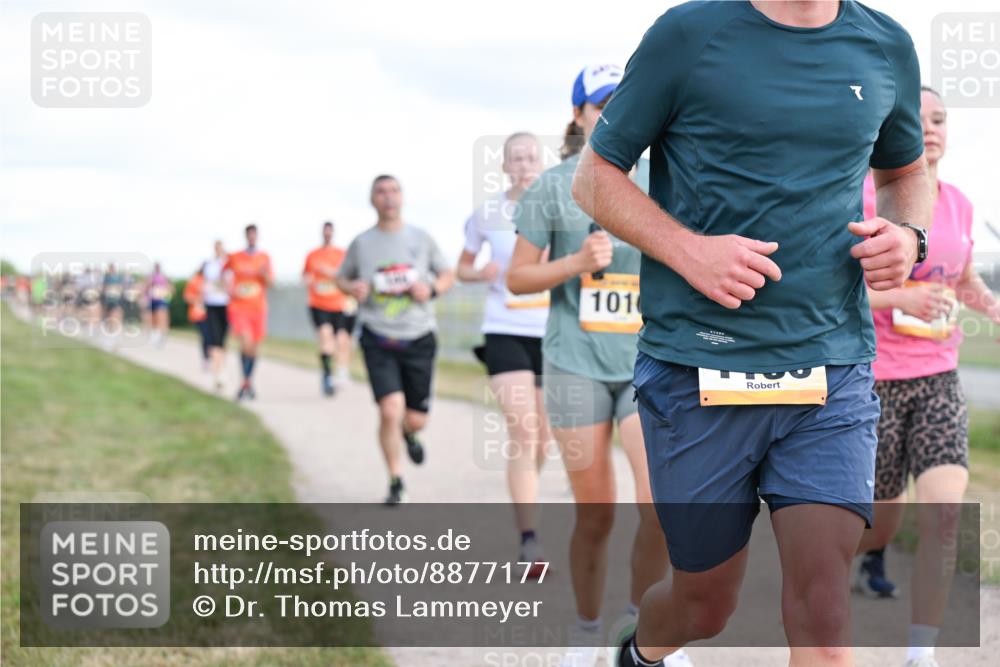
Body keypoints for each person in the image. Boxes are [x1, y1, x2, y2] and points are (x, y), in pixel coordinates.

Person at [572, 2, 932, 665]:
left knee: (825, 619)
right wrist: (687, 250)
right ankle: (640, 652)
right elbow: (593, 177)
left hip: (831, 369)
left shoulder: (885, 45)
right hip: (698, 370)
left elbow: (905, 171)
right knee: (702, 604)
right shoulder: (690, 34)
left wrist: (909, 234)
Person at [508, 65, 681, 667]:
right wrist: (575, 262)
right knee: (598, 513)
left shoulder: (669, 180)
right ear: (579, 115)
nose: (612, 114)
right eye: (600, 105)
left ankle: (643, 635)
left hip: (648, 366)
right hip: (575, 365)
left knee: (660, 505)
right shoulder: (554, 186)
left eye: (622, 102)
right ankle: (585, 632)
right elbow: (517, 277)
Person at [853, 86, 1000, 667]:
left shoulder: (960, 203)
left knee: (943, 511)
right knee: (878, 526)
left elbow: (962, 278)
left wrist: (989, 304)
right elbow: (836, 297)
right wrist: (903, 296)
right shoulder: (865, 196)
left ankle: (921, 653)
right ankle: (826, 567)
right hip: (873, 380)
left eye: (940, 119)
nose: (931, 128)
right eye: (918, 120)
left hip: (938, 378)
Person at [459, 131, 554, 575]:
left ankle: (525, 495)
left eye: (531, 156)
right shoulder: (487, 213)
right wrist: (480, 273)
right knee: (524, 431)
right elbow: (461, 266)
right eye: (516, 158)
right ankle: (528, 541)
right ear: (504, 165)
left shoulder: (560, 206)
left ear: (542, 161)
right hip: (504, 329)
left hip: (553, 334)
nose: (524, 164)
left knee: (545, 439)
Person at [337, 175, 455, 505]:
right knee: (390, 409)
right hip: (378, 334)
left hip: (418, 335)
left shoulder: (421, 238)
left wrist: (431, 289)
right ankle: (395, 479)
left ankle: (410, 433)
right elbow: (341, 277)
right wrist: (352, 288)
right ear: (372, 199)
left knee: (415, 418)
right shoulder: (362, 243)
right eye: (381, 192)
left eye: (394, 191)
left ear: (402, 197)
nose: (388, 197)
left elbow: (447, 274)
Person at [303, 221, 355, 396]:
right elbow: (305, 276)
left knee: (342, 339)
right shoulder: (312, 255)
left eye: (329, 232)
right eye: (324, 232)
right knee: (326, 338)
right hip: (319, 304)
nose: (327, 235)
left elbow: (349, 276)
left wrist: (331, 273)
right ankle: (326, 374)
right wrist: (308, 280)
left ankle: (341, 371)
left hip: (339, 303)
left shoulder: (341, 254)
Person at [225, 224, 274, 401]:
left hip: (258, 307)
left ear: (257, 236)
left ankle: (247, 381)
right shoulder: (235, 257)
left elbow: (270, 283)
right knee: (245, 342)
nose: (252, 237)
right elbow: (224, 274)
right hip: (240, 307)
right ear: (246, 236)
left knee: (253, 347)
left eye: (255, 235)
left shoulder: (264, 258)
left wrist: (264, 274)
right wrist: (228, 288)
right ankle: (245, 381)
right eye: (249, 235)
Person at [203, 240, 230, 391]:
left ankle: (221, 369)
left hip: (225, 305)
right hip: (212, 304)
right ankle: (218, 373)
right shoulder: (210, 265)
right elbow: (206, 285)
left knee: (222, 339)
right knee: (215, 339)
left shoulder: (228, 265)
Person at [183, 266, 211, 370]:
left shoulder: (212, 281)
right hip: (198, 313)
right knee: (205, 336)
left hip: (212, 313)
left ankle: (211, 357)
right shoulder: (194, 281)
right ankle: (206, 358)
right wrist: (198, 299)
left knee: (212, 336)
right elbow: (187, 297)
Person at [146, 262, 173, 347]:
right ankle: (155, 334)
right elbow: (146, 287)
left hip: (162, 300)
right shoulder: (151, 276)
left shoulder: (164, 276)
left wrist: (167, 294)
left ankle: (162, 335)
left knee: (162, 317)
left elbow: (170, 288)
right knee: (154, 318)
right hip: (153, 300)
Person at [101, 263, 126, 349]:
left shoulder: (119, 277)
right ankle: (109, 339)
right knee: (109, 319)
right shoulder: (106, 277)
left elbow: (121, 288)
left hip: (117, 301)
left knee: (115, 318)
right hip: (109, 301)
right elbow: (103, 289)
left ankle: (115, 339)